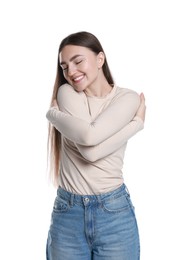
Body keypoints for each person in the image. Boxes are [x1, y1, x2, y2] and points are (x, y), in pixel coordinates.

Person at [46, 31, 146, 260]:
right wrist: (136, 124)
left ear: (100, 59)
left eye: (78, 61)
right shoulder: (67, 93)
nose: (70, 72)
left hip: (114, 213)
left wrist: (54, 116)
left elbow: (89, 145)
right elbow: (90, 143)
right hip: (67, 213)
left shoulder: (127, 98)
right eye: (64, 66)